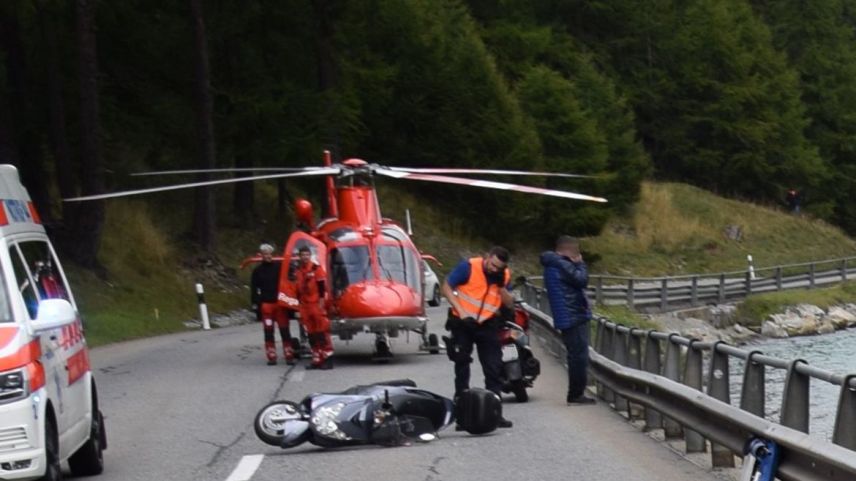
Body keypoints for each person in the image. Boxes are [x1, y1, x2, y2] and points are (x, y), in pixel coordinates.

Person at [441, 246, 514, 428]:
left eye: (498, 267)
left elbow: (509, 303)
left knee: (493, 368)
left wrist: (501, 286)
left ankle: (495, 413)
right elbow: (446, 287)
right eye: (492, 265)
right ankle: (462, 415)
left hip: (487, 325)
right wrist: (463, 313)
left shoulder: (503, 275)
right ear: (487, 257)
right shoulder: (468, 267)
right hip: (464, 323)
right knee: (462, 365)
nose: (494, 269)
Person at [541, 236, 596, 404]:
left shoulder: (552, 264)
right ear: (570, 251)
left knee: (576, 355)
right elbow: (582, 280)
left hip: (567, 314)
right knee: (578, 356)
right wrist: (580, 264)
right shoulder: (562, 264)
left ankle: (576, 393)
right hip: (573, 315)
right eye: (577, 252)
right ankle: (576, 394)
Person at [251, 243, 295, 366]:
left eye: (269, 254)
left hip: (280, 304)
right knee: (268, 331)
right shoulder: (257, 271)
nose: (267, 256)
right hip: (266, 305)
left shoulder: (279, 267)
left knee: (284, 330)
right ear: (261, 255)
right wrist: (255, 304)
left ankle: (289, 354)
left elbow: (289, 278)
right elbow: (254, 289)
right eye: (265, 254)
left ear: (272, 254)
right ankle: (271, 355)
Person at [295, 246, 334, 370]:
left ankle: (327, 358)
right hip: (305, 306)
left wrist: (322, 304)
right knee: (311, 334)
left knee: (322, 332)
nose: (305, 257)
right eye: (303, 255)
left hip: (316, 304)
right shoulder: (298, 271)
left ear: (310, 255)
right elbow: (296, 290)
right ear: (300, 256)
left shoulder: (316, 269)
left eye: (307, 254)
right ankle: (316, 358)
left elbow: (322, 288)